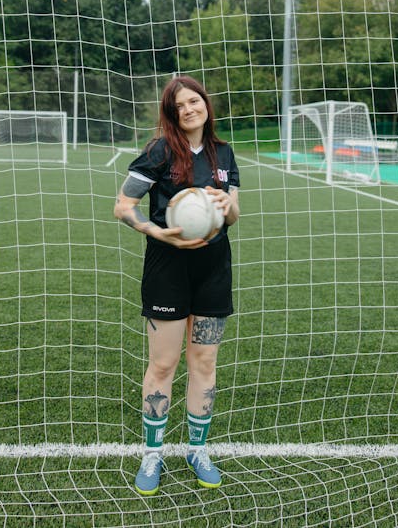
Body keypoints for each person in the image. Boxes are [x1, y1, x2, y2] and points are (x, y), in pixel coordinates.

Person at [114, 75, 240, 495]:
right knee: (164, 365)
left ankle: (197, 449)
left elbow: (234, 213)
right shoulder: (159, 151)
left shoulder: (224, 153)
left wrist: (227, 205)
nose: (189, 109)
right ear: (172, 114)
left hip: (213, 271)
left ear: (205, 103)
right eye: (180, 105)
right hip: (167, 270)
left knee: (204, 363)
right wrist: (155, 230)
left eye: (194, 101)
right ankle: (152, 454)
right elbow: (123, 206)